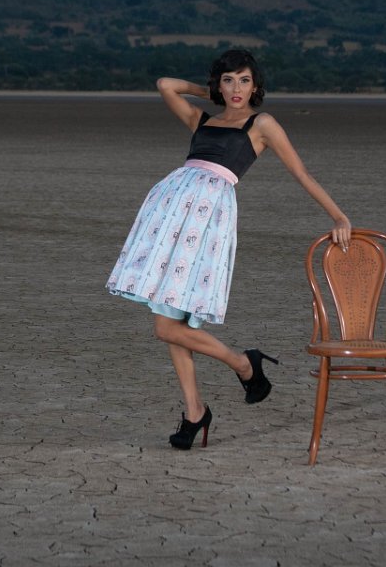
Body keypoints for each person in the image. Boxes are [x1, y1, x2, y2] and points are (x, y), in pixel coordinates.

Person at [106, 49, 351, 450]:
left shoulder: (262, 124)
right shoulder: (201, 120)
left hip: (205, 223)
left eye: (244, 80)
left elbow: (301, 172)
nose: (237, 88)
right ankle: (195, 411)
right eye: (228, 80)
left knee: (167, 326)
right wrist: (212, 94)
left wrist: (339, 217)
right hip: (169, 217)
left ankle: (242, 364)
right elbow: (166, 85)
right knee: (170, 321)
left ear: (256, 86)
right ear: (217, 84)